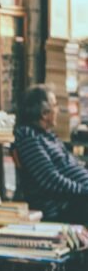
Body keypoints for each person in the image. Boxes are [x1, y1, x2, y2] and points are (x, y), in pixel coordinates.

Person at [14, 85, 88, 224]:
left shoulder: (48, 136)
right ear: (44, 113)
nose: (58, 110)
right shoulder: (28, 136)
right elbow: (49, 179)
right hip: (63, 207)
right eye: (55, 105)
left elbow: (73, 165)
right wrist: (84, 190)